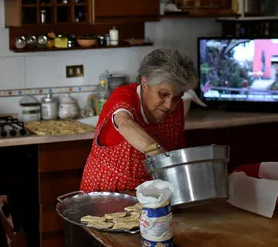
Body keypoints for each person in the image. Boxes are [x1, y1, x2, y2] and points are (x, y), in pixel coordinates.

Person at [80, 49, 198, 193]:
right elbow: (125, 124)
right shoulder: (123, 96)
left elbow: (178, 148)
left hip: (151, 195)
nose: (169, 105)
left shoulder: (176, 106)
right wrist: (164, 159)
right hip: (107, 193)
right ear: (145, 83)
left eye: (178, 96)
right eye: (163, 94)